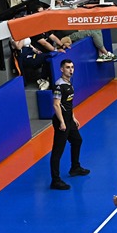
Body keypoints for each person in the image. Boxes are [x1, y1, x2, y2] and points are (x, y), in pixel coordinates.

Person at [49, 59, 90, 190]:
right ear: (62, 69)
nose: (71, 69)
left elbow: (67, 103)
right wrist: (62, 122)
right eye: (67, 67)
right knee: (58, 151)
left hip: (68, 119)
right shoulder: (59, 86)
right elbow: (56, 105)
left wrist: (73, 117)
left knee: (77, 140)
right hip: (61, 121)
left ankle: (75, 167)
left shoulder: (69, 84)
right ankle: (55, 180)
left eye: (72, 67)